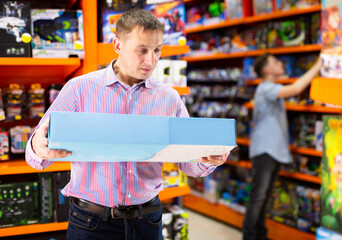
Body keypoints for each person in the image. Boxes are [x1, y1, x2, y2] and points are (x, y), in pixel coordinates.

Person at [25, 8, 230, 240]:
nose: (151, 60)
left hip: (148, 220)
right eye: (142, 50)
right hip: (91, 221)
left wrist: (209, 159)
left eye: (157, 50)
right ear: (118, 46)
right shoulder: (79, 89)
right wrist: (37, 148)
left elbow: (189, 164)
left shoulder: (168, 97)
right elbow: (34, 158)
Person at [242, 53, 322, 240]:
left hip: (273, 151)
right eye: (276, 62)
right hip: (265, 151)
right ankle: (249, 236)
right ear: (267, 70)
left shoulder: (270, 88)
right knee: (258, 197)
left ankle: (259, 235)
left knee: (265, 197)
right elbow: (295, 89)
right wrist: (319, 64)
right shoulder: (266, 88)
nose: (281, 63)